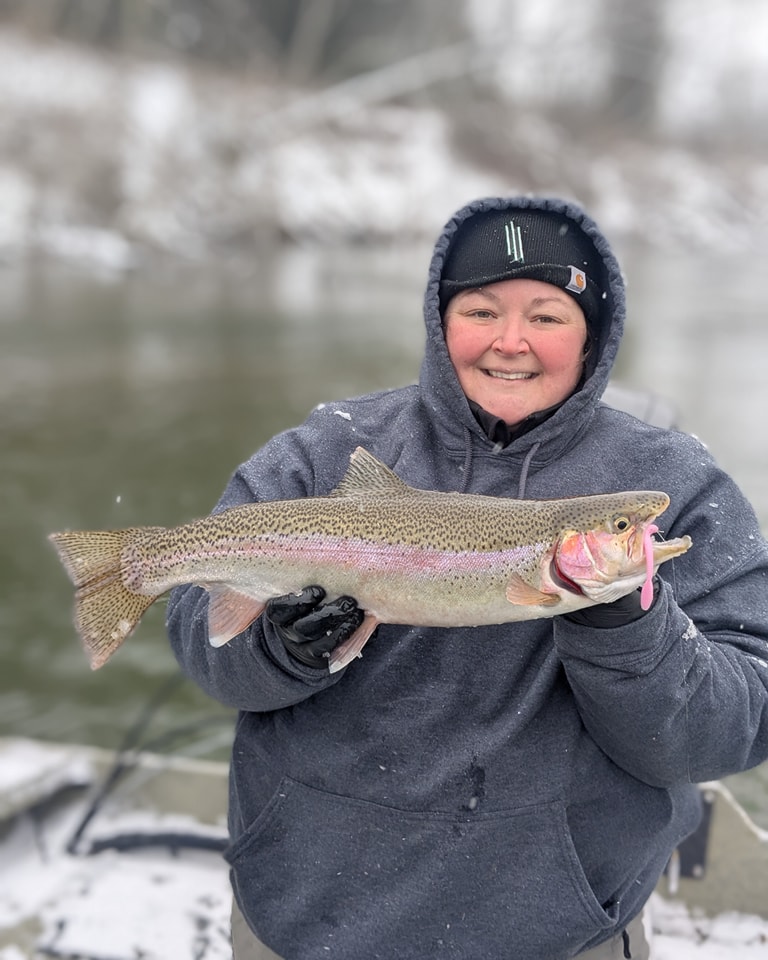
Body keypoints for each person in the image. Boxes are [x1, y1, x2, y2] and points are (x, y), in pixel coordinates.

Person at [166, 196, 768, 960]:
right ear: (439, 321)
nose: (510, 342)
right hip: (305, 911)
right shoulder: (323, 452)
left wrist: (628, 626)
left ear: (594, 332)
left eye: (547, 316)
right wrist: (276, 650)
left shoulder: (675, 484)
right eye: (481, 310)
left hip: (562, 927)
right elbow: (203, 640)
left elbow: (740, 724)